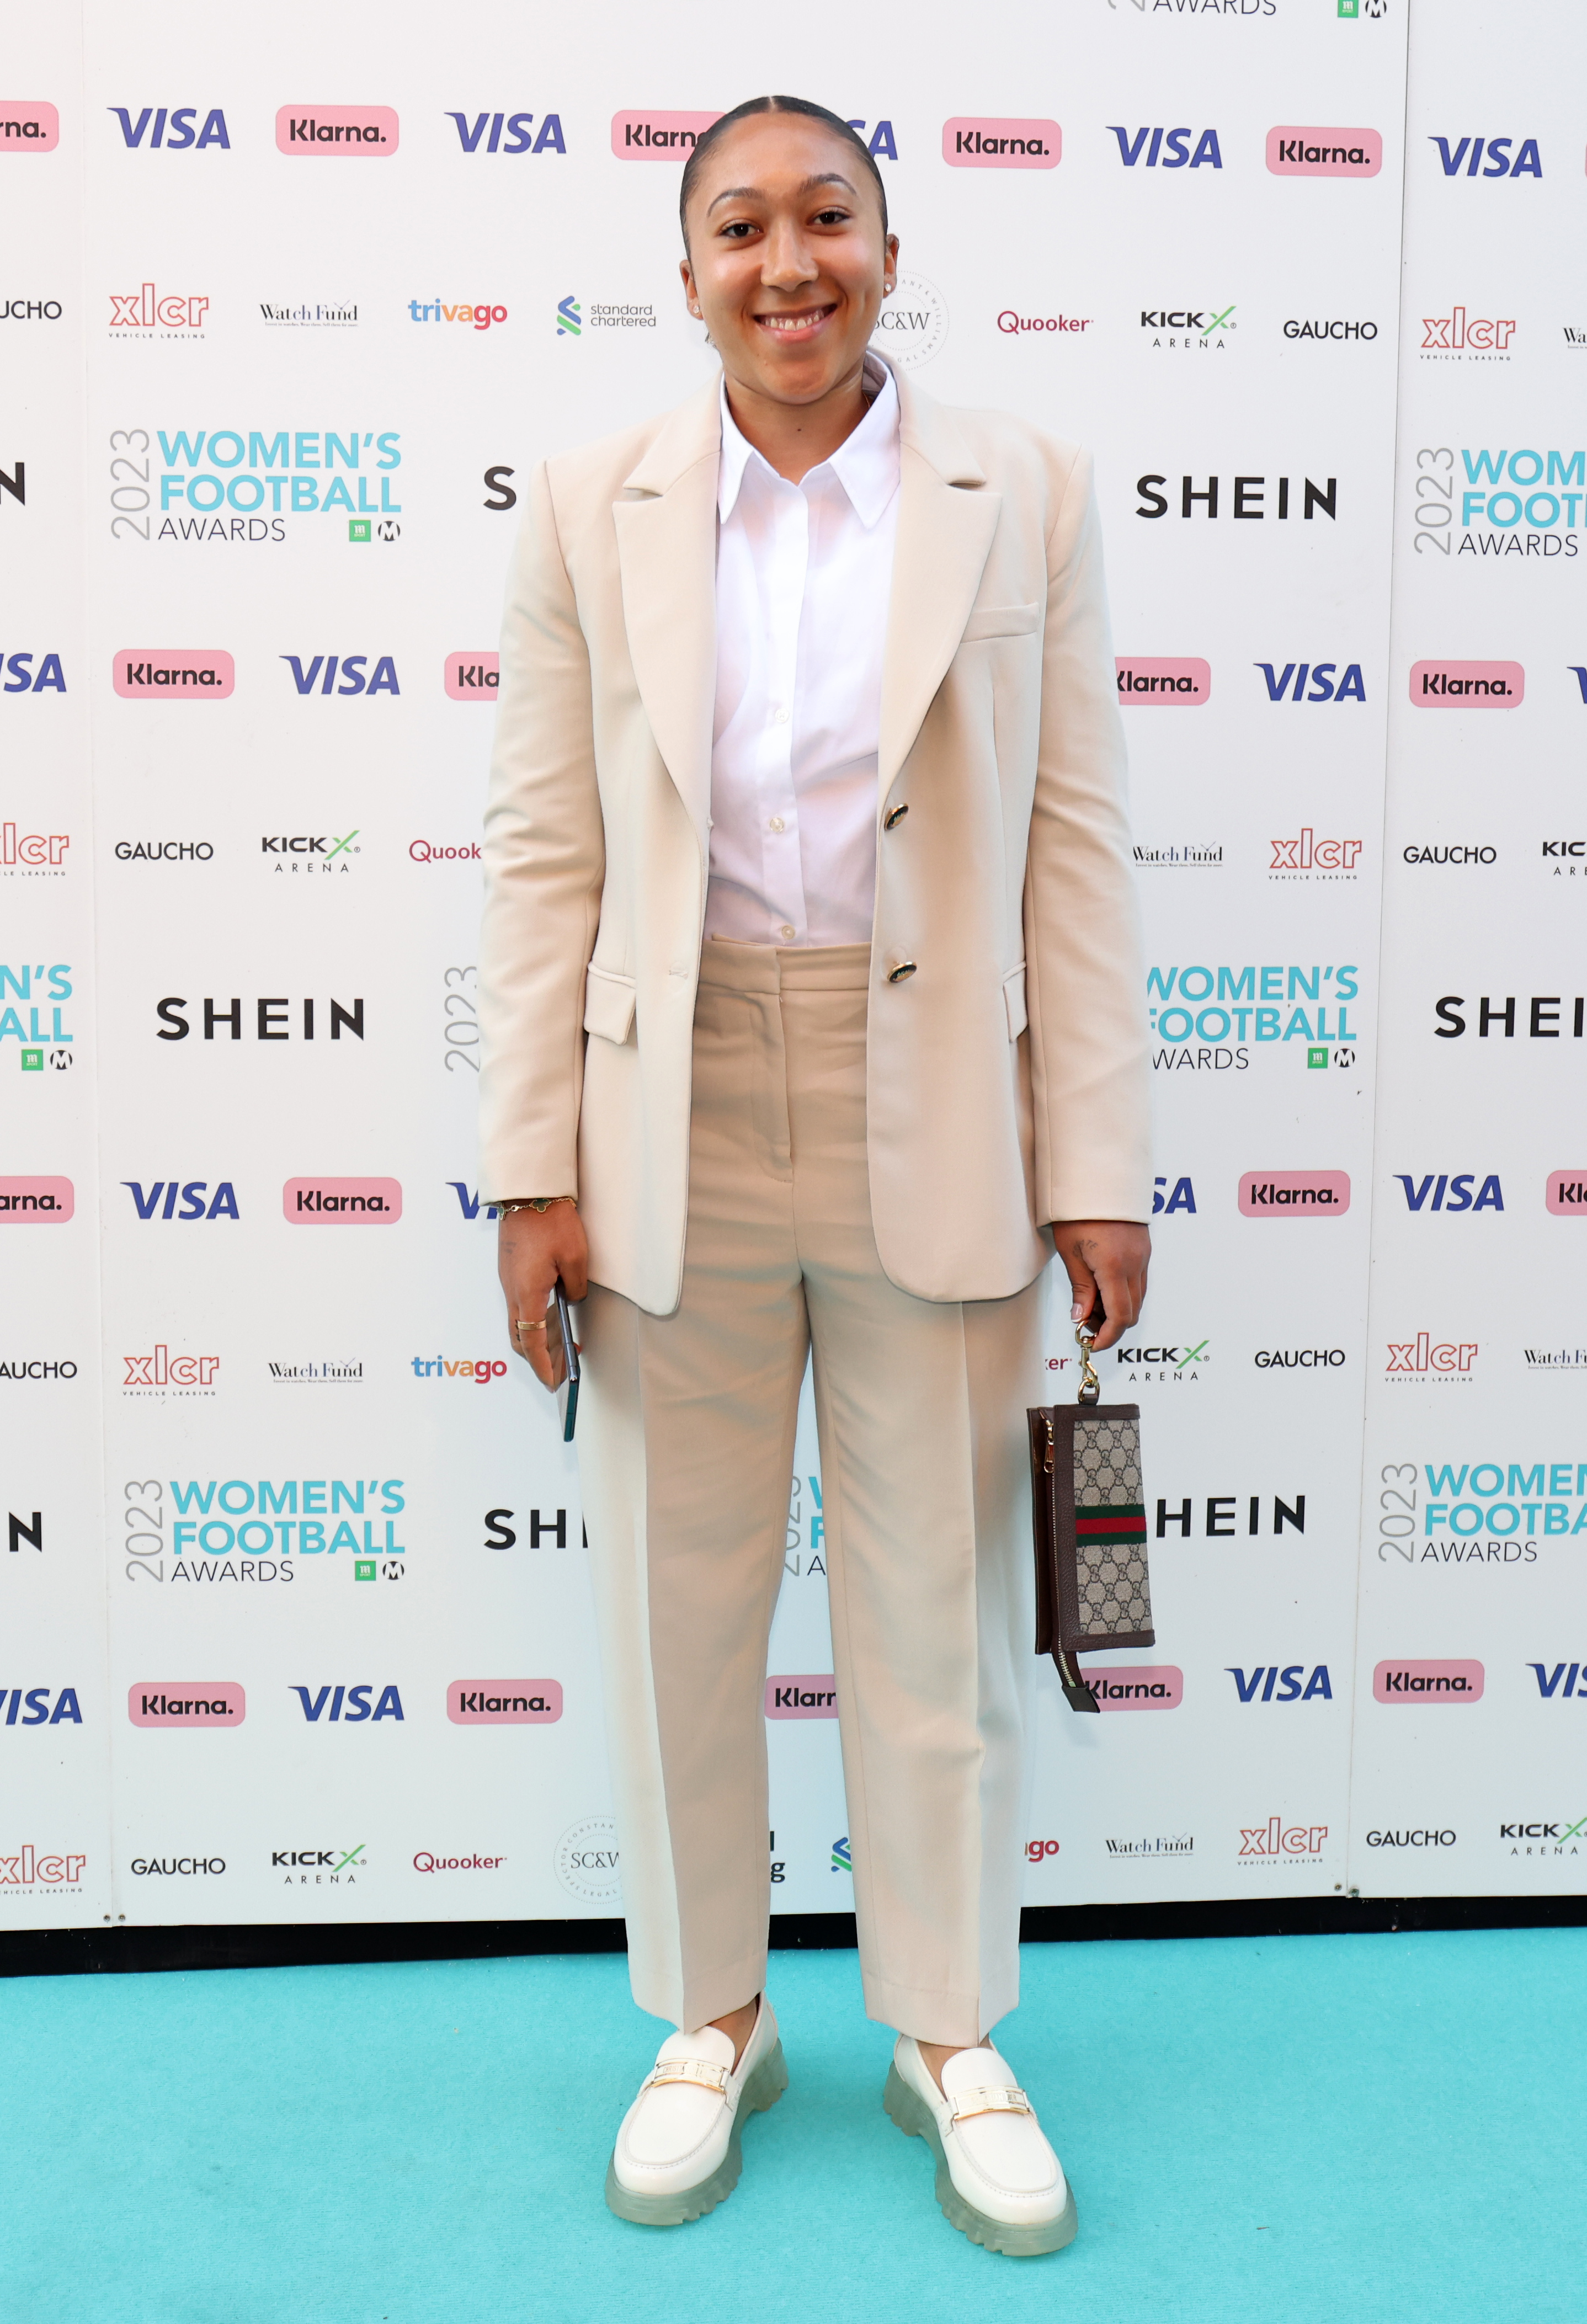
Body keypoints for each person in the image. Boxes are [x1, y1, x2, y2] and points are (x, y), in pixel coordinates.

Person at [477, 93, 1151, 2257]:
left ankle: (945, 2034)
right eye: (739, 228)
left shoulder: (1016, 491)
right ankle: (713, 2015)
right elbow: (543, 856)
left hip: (929, 1089)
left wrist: (1097, 1165)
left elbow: (1071, 845)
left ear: (888, 241)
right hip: (665, 1102)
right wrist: (526, 1175)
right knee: (678, 1610)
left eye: (824, 220)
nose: (788, 264)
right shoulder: (592, 505)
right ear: (683, 271)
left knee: (932, 1608)